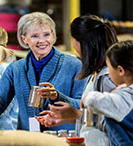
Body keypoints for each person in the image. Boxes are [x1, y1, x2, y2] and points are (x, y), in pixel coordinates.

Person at [0, 12, 86, 136]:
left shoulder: (74, 65)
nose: (42, 41)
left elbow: (82, 105)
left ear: (54, 36)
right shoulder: (16, 69)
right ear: (24, 39)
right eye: (34, 36)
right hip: (29, 139)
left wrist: (57, 96)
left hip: (63, 140)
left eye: (47, 34)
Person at [35, 15, 118, 146]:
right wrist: (65, 118)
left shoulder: (108, 77)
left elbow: (117, 124)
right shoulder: (94, 74)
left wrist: (77, 114)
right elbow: (94, 119)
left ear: (82, 43)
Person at [81, 40, 133, 146]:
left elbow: (92, 100)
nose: (108, 73)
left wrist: (85, 98)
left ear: (120, 70)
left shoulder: (126, 97)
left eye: (109, 67)